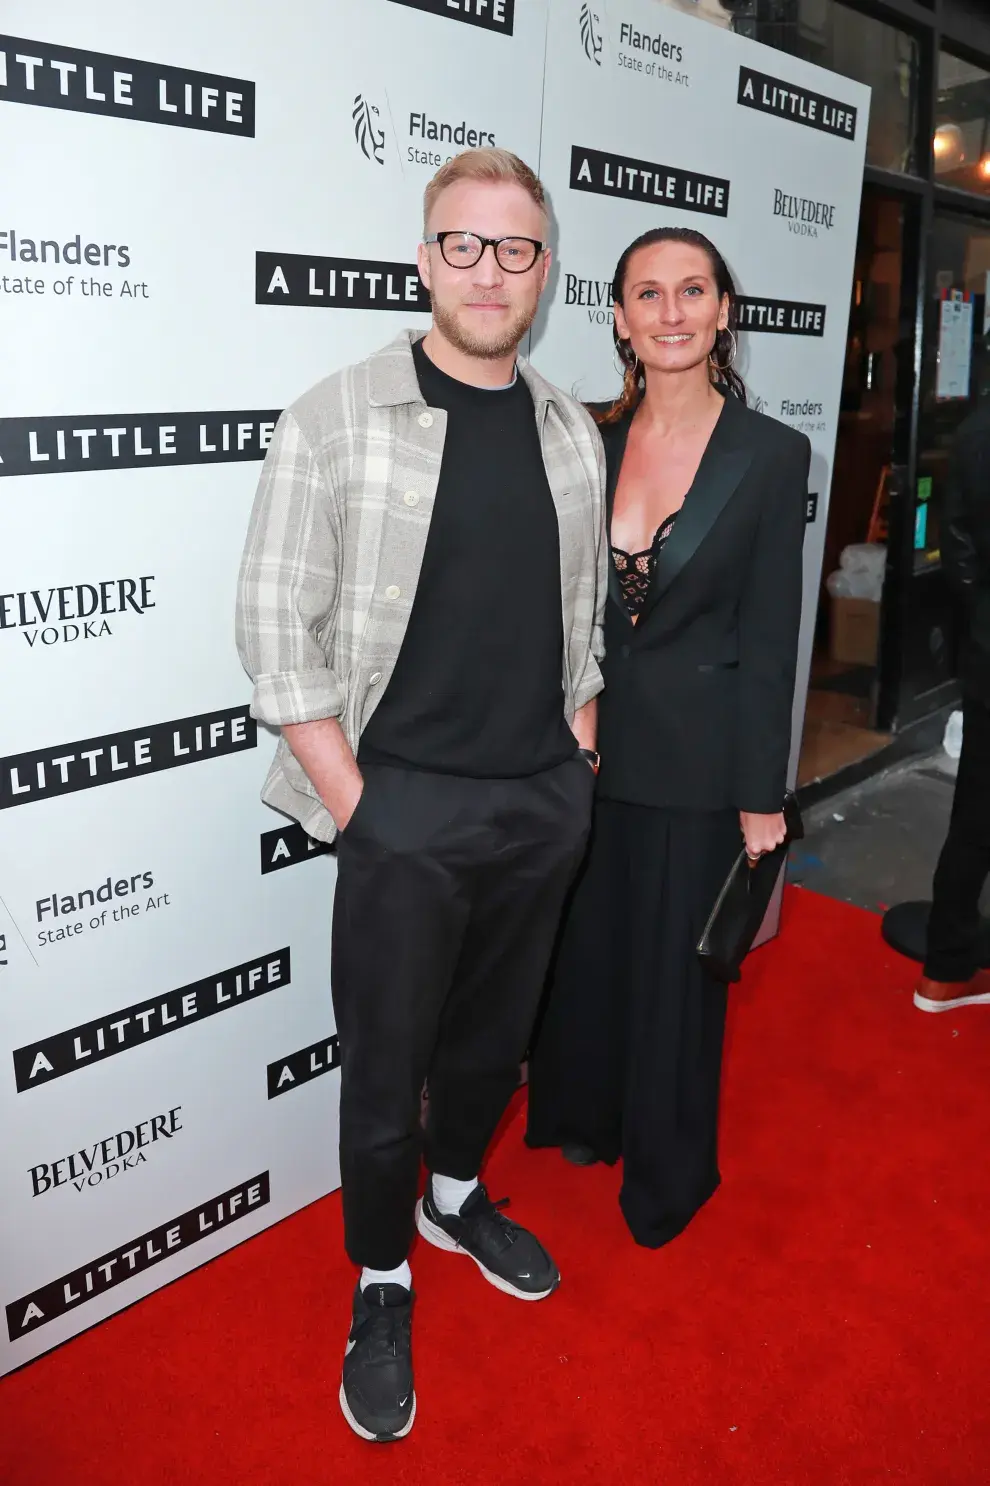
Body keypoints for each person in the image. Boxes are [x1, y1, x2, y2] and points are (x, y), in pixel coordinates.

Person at [235, 147, 606, 1443]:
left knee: (486, 1041)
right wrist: (361, 803)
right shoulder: (336, 414)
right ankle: (380, 1273)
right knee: (384, 1067)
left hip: (537, 807)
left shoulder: (568, 427)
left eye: (514, 249)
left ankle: (456, 1195)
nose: (488, 271)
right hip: (401, 815)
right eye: (463, 244)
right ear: (423, 259)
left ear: (545, 271)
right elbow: (275, 627)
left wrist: (579, 755)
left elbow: (581, 621)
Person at [526, 226, 809, 1249]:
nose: (673, 312)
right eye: (649, 294)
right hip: (588, 752)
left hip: (701, 764)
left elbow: (770, 638)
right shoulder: (586, 441)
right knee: (587, 956)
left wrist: (760, 791)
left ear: (724, 309)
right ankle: (585, 1118)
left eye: (694, 290)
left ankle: (670, 1169)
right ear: (619, 318)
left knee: (680, 977)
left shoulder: (773, 455)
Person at [915, 399, 990, 1013]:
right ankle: (948, 967)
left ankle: (945, 970)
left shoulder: (976, 427)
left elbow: (957, 542)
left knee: (975, 813)